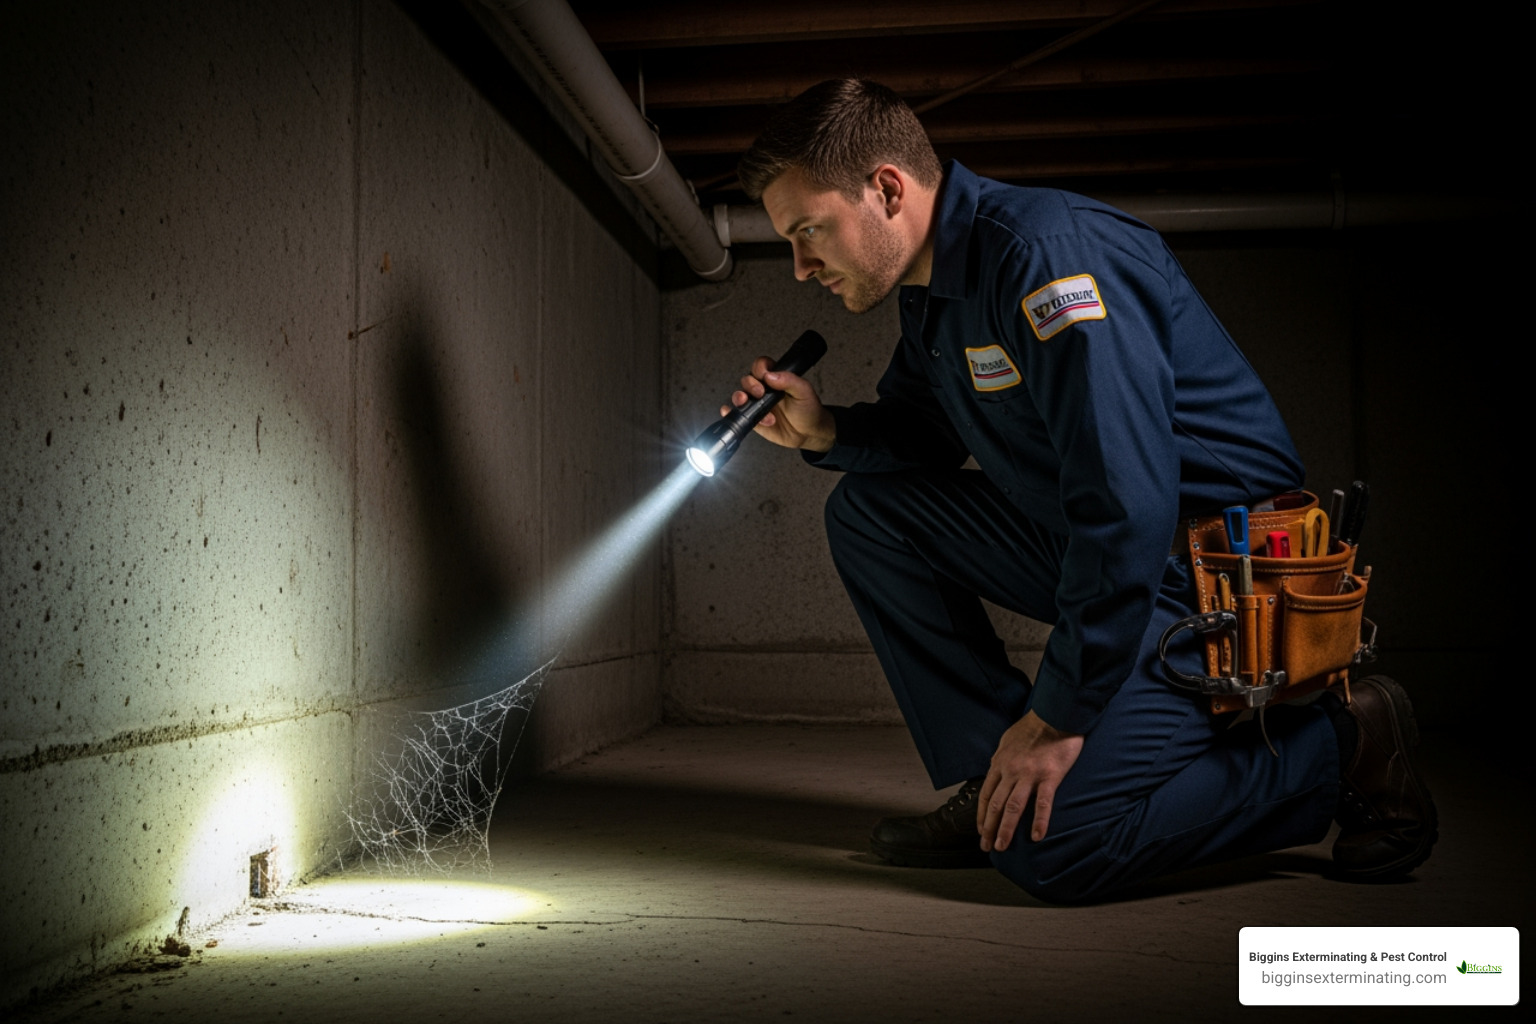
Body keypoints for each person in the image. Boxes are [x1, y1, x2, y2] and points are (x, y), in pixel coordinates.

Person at [726, 79, 1436, 902]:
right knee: (872, 511)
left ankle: (1340, 745)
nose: (802, 266)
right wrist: (825, 433)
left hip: (1209, 578)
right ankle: (996, 779)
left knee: (1053, 852)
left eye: (809, 231)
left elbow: (1126, 502)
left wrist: (1058, 715)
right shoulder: (934, 293)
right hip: (1101, 547)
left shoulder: (1046, 259)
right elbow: (922, 433)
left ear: (886, 189)